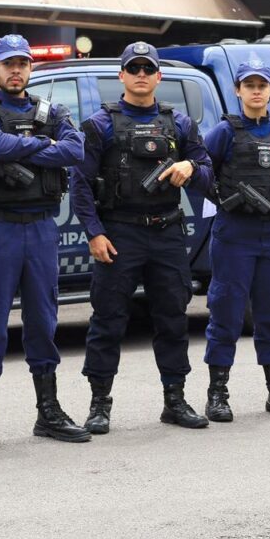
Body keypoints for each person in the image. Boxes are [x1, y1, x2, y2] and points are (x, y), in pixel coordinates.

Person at [70, 42, 214, 432]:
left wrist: (189, 164)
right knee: (108, 320)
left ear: (158, 77)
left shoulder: (180, 124)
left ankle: (175, 400)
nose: (140, 75)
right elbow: (80, 184)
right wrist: (95, 234)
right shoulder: (99, 124)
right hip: (119, 233)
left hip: (167, 231)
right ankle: (99, 404)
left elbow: (207, 171)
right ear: (121, 76)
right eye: (132, 68)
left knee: (172, 318)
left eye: (147, 69)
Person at [0, 34, 90, 449]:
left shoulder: (51, 110)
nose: (15, 70)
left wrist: (22, 151)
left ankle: (48, 413)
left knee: (43, 321)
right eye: (8, 64)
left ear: (30, 68)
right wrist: (41, 145)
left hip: (40, 227)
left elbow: (75, 149)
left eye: (22, 63)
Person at [200, 60, 270, 422]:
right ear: (238, 90)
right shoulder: (225, 132)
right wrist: (221, 195)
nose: (257, 90)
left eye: (262, 84)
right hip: (236, 233)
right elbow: (199, 167)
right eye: (250, 85)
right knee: (226, 313)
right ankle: (217, 393)